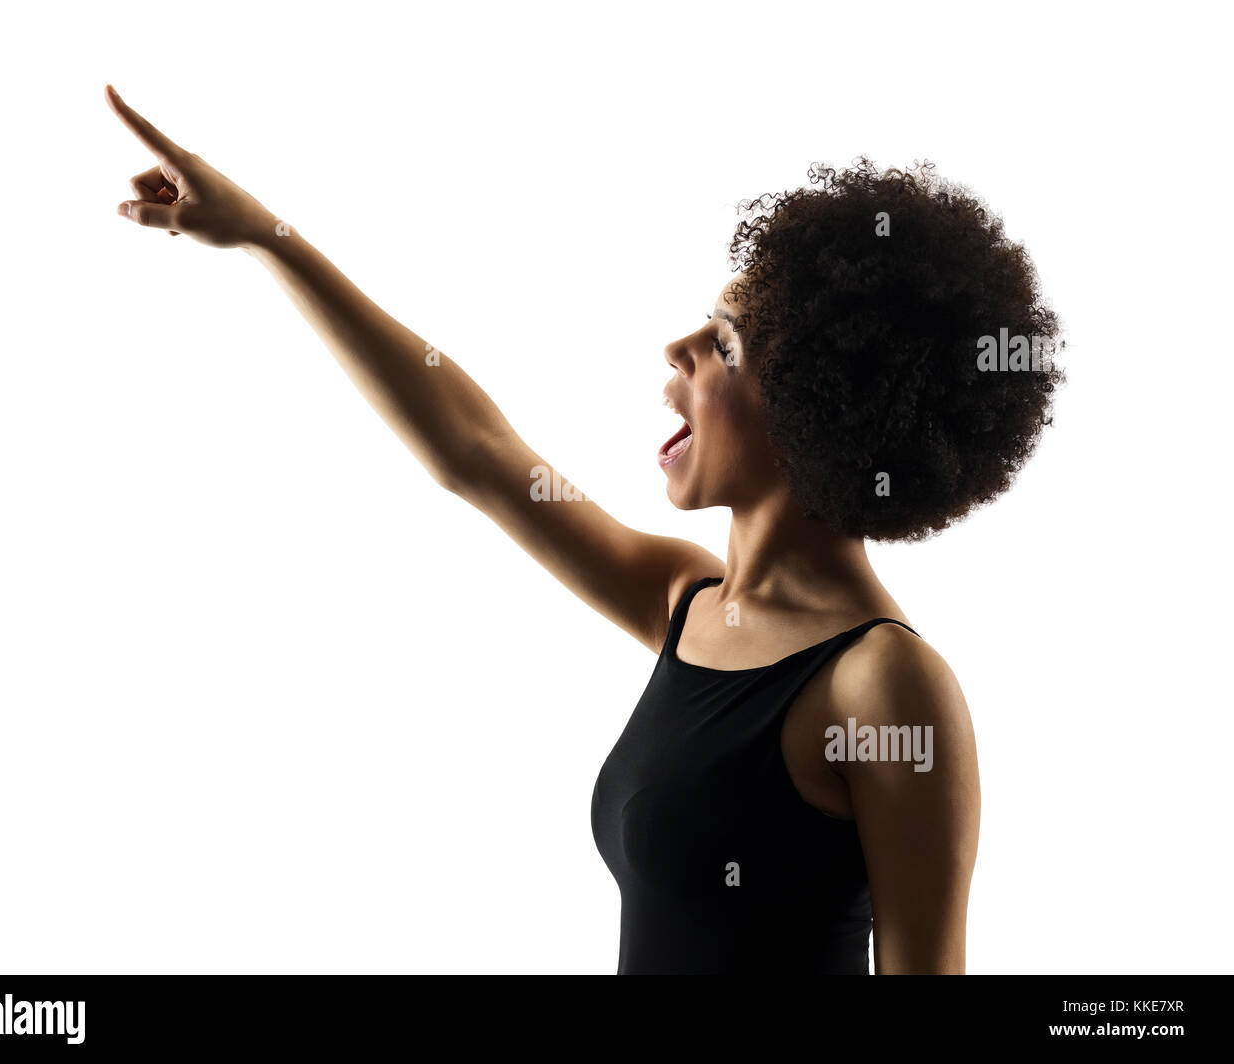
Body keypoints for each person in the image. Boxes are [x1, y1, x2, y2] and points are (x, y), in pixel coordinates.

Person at [105, 84, 1063, 974]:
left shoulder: (887, 686)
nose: (678, 349)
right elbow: (477, 452)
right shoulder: (686, 605)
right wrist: (270, 238)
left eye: (724, 342)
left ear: (821, 406)